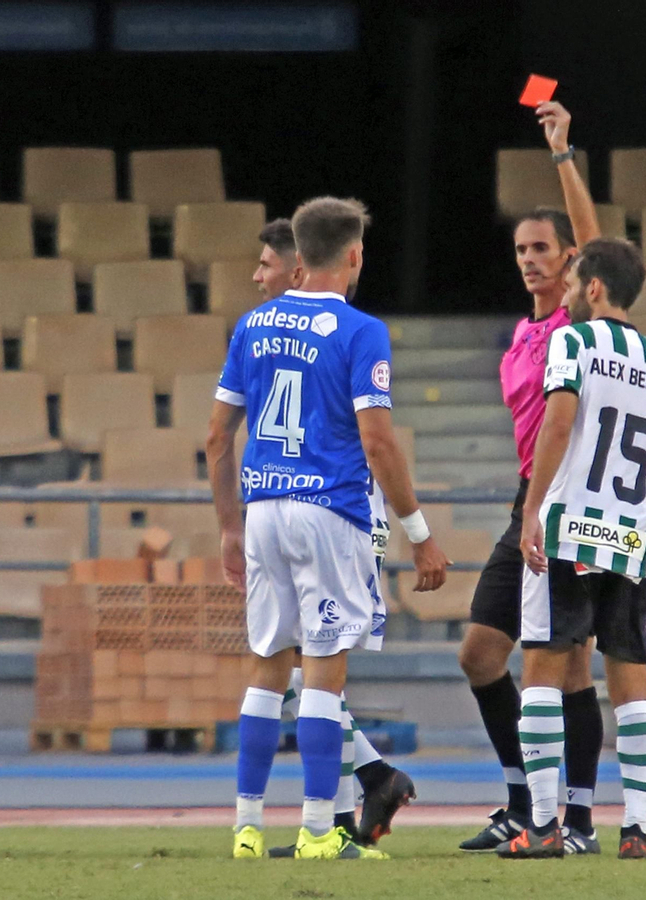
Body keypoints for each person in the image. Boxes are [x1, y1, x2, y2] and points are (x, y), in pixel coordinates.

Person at [206, 199, 448, 861]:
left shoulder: (252, 325)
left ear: (296, 254)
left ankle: (247, 831)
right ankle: (319, 830)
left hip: (261, 512)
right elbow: (378, 443)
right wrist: (419, 531)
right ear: (354, 255)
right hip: (329, 511)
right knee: (322, 677)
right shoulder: (361, 330)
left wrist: (230, 527)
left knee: (265, 671)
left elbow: (215, 437)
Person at [496, 238, 646, 860]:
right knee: (631, 681)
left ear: (596, 287)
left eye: (576, 281)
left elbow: (557, 424)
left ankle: (546, 825)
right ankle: (635, 827)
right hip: (632, 536)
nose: (570, 290)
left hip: (571, 528)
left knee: (543, 674)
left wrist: (531, 510)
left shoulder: (571, 344)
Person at [457, 101, 609, 855]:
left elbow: (599, 244)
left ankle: (574, 819)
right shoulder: (521, 332)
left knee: (572, 667)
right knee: (481, 653)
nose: (530, 258)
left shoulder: (574, 323)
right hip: (530, 494)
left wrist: (561, 154)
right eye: (521, 248)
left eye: (543, 247)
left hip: (569, 499)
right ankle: (522, 800)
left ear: (566, 258)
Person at [245, 219, 418, 854]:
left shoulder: (338, 332)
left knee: (314, 668)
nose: (257, 276)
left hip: (347, 512)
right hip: (311, 511)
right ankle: (365, 788)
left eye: (266, 264)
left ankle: (342, 813)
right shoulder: (280, 335)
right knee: (304, 671)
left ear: (297, 269)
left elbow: (371, 435)